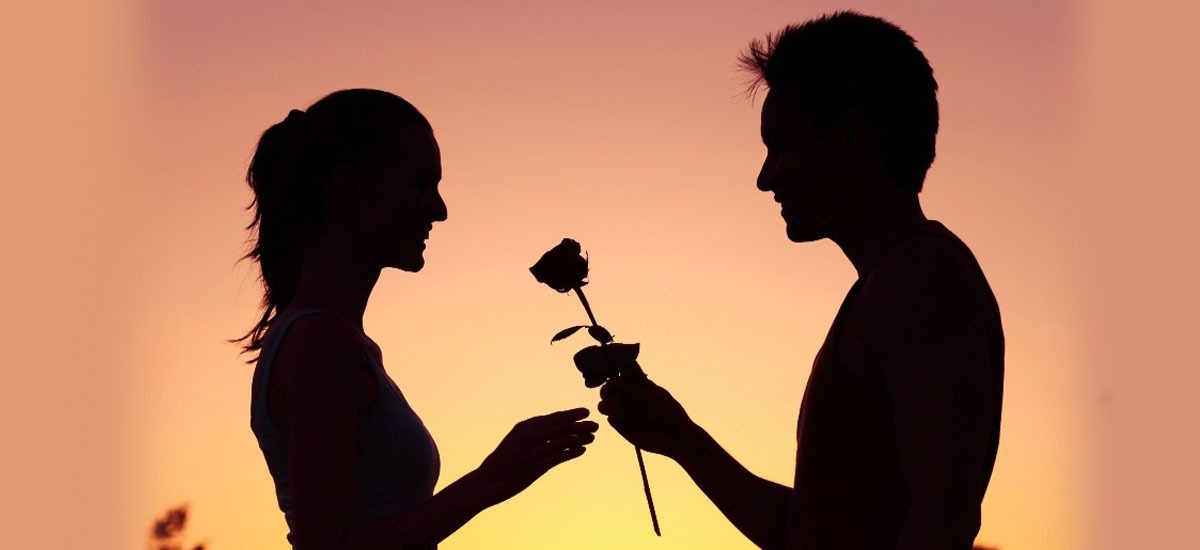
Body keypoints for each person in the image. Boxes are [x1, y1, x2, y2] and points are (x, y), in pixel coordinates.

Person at [598, 12, 1004, 549]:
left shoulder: (922, 282)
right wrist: (683, 440)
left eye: (780, 145)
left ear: (850, 138)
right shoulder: (896, 282)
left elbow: (943, 517)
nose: (765, 178)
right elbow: (815, 532)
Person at [238, 88, 598, 549]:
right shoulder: (321, 342)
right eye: (420, 184)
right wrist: (488, 482)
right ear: (349, 188)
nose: (439, 209)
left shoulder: (337, 340)